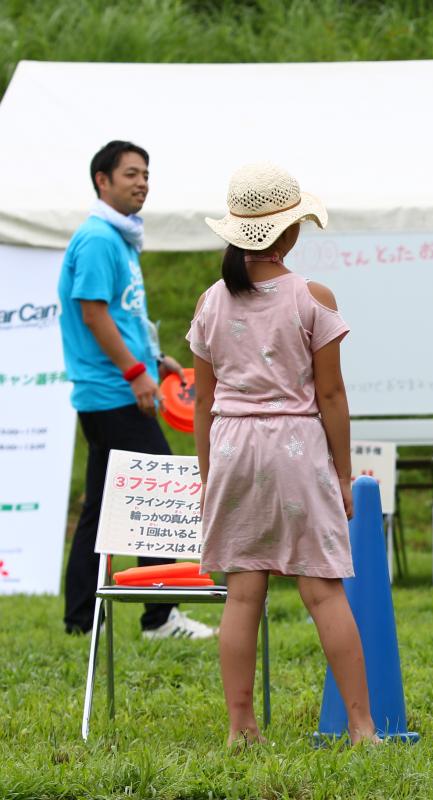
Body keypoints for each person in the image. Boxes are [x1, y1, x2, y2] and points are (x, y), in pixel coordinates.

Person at [189, 163, 378, 746]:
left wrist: (207, 473)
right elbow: (330, 395)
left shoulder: (209, 302)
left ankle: (241, 727)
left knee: (243, 594)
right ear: (290, 232)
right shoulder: (311, 296)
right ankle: (362, 727)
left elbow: (204, 400)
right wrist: (343, 475)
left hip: (232, 448)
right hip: (296, 450)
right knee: (322, 591)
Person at [57, 140, 215, 639]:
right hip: (114, 393)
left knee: (100, 509)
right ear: (102, 180)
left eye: (146, 173)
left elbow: (122, 316)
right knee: (160, 488)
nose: (142, 182)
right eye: (130, 173)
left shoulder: (119, 238)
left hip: (114, 389)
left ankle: (82, 620)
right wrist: (134, 373)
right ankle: (160, 616)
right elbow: (94, 313)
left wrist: (155, 361)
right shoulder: (100, 238)